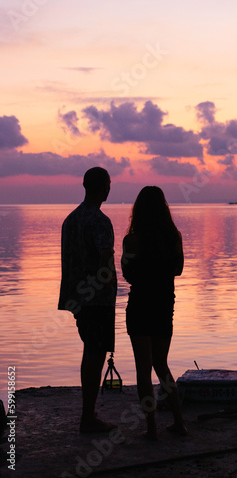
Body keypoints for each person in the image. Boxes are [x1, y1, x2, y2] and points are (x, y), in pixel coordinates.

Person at [121, 186, 187, 440]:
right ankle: (180, 422)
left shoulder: (132, 240)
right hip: (163, 305)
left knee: (143, 369)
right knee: (161, 365)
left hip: (140, 305)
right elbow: (178, 270)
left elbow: (127, 273)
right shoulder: (174, 236)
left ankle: (151, 428)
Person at [58, 167, 117, 433]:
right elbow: (105, 259)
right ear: (106, 187)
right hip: (97, 300)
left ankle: (87, 413)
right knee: (95, 354)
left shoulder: (71, 220)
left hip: (77, 299)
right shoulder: (100, 220)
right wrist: (108, 283)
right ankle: (88, 417)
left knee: (89, 352)